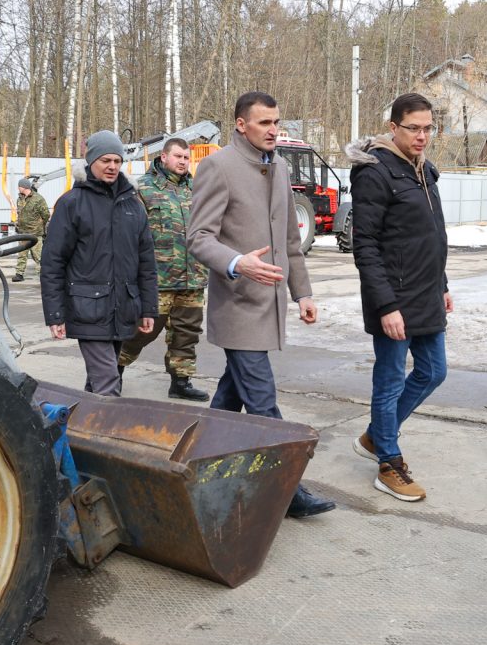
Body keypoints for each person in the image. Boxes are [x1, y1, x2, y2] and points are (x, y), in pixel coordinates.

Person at [187, 91, 335, 519]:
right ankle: (289, 489)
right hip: (237, 306)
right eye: (264, 123)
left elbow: (290, 240)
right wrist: (237, 263)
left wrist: (302, 294)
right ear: (240, 124)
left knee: (228, 401)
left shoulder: (280, 165)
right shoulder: (219, 166)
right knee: (264, 404)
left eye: (276, 122)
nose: (274, 130)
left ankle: (196, 466)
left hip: (268, 307)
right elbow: (198, 237)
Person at [345, 92, 452, 503]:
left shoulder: (424, 171)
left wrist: (442, 285)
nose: (422, 136)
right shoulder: (375, 173)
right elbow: (365, 245)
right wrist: (386, 305)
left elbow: (431, 237)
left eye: (428, 128)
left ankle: (376, 435)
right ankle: (388, 462)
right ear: (393, 128)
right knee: (389, 381)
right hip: (393, 298)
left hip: (426, 292)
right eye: (414, 128)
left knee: (434, 371)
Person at [41, 130, 158, 396]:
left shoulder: (133, 204)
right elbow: (53, 263)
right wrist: (55, 314)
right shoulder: (72, 204)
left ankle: (81, 430)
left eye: (117, 161)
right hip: (87, 309)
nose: (112, 166)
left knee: (100, 382)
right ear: (91, 160)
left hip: (124, 307)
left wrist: (148, 309)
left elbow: (146, 262)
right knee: (108, 383)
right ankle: (112, 435)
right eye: (106, 160)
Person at [118, 138, 209, 401]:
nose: (183, 162)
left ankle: (181, 382)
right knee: (141, 332)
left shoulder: (196, 189)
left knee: (186, 334)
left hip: (192, 276)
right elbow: (130, 236)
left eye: (186, 158)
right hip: (157, 278)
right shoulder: (142, 189)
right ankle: (114, 368)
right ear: (164, 157)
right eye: (178, 156)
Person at [12, 177, 50, 282]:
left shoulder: (38, 199)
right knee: (21, 255)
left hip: (35, 233)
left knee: (39, 256)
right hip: (23, 233)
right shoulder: (19, 199)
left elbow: (46, 214)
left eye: (19, 186)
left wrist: (39, 225)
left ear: (23, 187)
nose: (18, 188)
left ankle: (43, 275)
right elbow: (19, 214)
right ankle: (19, 274)